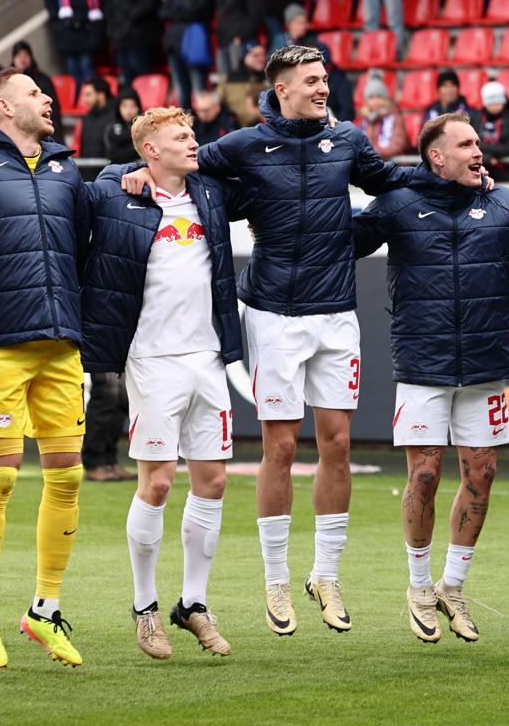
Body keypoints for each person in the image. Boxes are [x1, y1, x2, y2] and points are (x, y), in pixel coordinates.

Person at [118, 45, 416, 638]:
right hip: (273, 314)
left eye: (326, 79)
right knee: (279, 448)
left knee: (336, 441)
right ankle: (275, 577)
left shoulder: (349, 140)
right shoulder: (243, 146)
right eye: (312, 81)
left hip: (337, 313)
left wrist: (445, 183)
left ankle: (325, 575)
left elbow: (394, 186)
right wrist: (121, 175)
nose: (323, 88)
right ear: (281, 89)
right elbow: (175, 165)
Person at [353, 111, 509, 644]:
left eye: (478, 142)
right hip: (423, 364)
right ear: (435, 156)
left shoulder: (508, 203)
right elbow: (340, 242)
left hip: (487, 362)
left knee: (482, 476)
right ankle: (419, 587)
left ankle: (453, 585)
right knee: (423, 475)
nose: (478, 151)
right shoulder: (397, 204)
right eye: (465, 144)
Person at [84, 108, 243, 660]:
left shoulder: (211, 194)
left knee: (214, 483)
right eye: (181, 137)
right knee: (155, 486)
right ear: (151, 150)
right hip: (152, 360)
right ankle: (145, 607)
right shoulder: (117, 195)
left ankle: (193, 605)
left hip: (208, 358)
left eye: (192, 134)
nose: (193, 143)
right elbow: (87, 189)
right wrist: (117, 172)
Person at [0, 69, 86, 669]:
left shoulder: (65, 169)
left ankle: (44, 611)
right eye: (34, 93)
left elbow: (87, 244)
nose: (48, 98)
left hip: (62, 344)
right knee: (0, 477)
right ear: (3, 106)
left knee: (68, 478)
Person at [161, 0, 215, 109]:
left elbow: (196, 11)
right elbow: (164, 12)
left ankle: (202, 128)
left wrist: (178, 9)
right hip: (174, 42)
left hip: (194, 43)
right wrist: (181, 9)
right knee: (181, 90)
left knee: (199, 89)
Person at [10, 42, 63, 139]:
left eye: (25, 55)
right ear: (13, 59)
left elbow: (54, 109)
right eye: (19, 55)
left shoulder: (43, 80)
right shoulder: (9, 82)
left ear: (31, 57)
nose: (22, 59)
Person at [219, 41, 269, 127]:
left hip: (262, 130)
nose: (261, 59)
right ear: (245, 57)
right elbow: (216, 103)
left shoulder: (270, 78)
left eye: (263, 54)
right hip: (234, 130)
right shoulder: (230, 78)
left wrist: (257, 113)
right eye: (256, 55)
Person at [360, 75, 410, 160]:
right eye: (371, 98)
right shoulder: (364, 121)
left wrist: (371, 153)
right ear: (367, 101)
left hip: (391, 165)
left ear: (385, 99)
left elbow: (397, 146)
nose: (375, 101)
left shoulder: (395, 118)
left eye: (379, 97)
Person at [79, 78, 116, 159]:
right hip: (87, 169)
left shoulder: (116, 118)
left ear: (101, 95)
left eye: (88, 95)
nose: (85, 100)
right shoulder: (87, 117)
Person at [103, 90, 143, 164]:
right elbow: (112, 154)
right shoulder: (111, 127)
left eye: (133, 106)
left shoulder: (145, 128)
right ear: (118, 108)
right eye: (124, 106)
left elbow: (144, 150)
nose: (129, 110)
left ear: (138, 108)